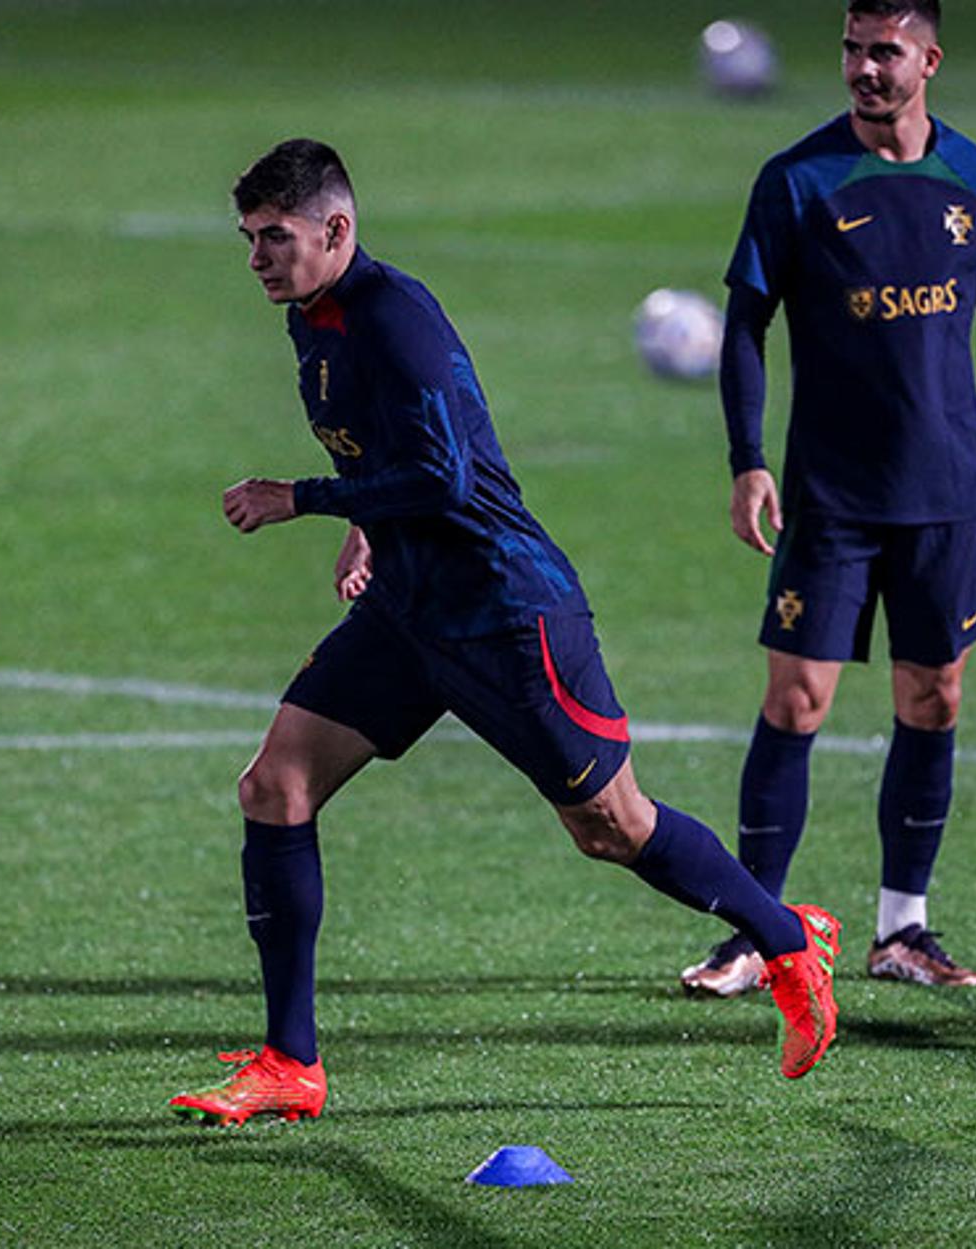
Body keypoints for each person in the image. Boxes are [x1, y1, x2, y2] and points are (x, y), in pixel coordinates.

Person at [166, 139, 841, 1125]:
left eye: (276, 237)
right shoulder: (311, 319)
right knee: (276, 784)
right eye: (250, 239)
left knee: (611, 827)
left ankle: (786, 940)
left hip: (505, 613)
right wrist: (366, 525)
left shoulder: (395, 318)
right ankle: (291, 1062)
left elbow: (446, 478)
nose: (259, 257)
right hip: (408, 607)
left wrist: (302, 498)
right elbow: (395, 451)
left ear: (336, 230)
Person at [679, 0, 976, 998]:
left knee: (935, 694)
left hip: (943, 494)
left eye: (884, 51)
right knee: (796, 698)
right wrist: (747, 460)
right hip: (829, 497)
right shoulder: (798, 180)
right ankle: (757, 927)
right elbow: (745, 325)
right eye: (851, 50)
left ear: (929, 58)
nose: (864, 69)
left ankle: (903, 927)